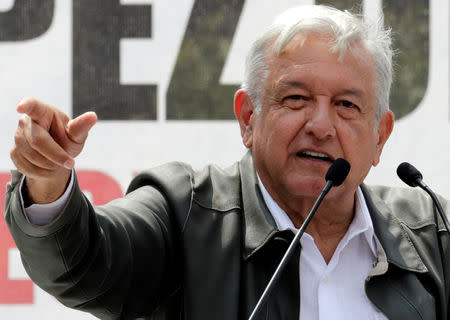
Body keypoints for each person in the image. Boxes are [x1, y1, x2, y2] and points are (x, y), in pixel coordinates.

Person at [5, 5, 450, 320]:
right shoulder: (183, 213)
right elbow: (82, 264)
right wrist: (48, 180)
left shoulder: (434, 236)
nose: (321, 124)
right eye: (295, 99)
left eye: (347, 105)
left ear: (380, 137)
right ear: (248, 118)